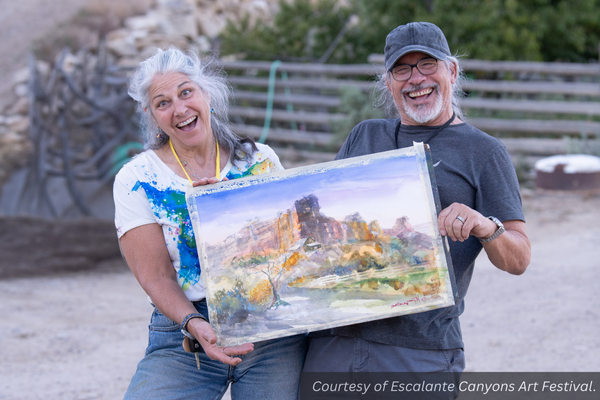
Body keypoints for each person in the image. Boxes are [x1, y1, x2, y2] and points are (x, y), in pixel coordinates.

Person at [303, 22, 531, 376]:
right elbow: (322, 223)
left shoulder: (484, 152)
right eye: (401, 69)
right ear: (388, 82)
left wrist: (486, 227)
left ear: (451, 71)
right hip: (336, 343)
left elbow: (519, 258)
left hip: (420, 352)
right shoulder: (364, 136)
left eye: (428, 64)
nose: (416, 79)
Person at [113, 47, 307, 400]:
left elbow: (286, 247)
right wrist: (194, 324)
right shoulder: (138, 178)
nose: (180, 109)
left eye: (186, 92)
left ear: (207, 95)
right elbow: (155, 275)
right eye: (163, 102)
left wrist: (233, 207)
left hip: (272, 326)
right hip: (185, 332)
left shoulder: (259, 160)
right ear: (152, 116)